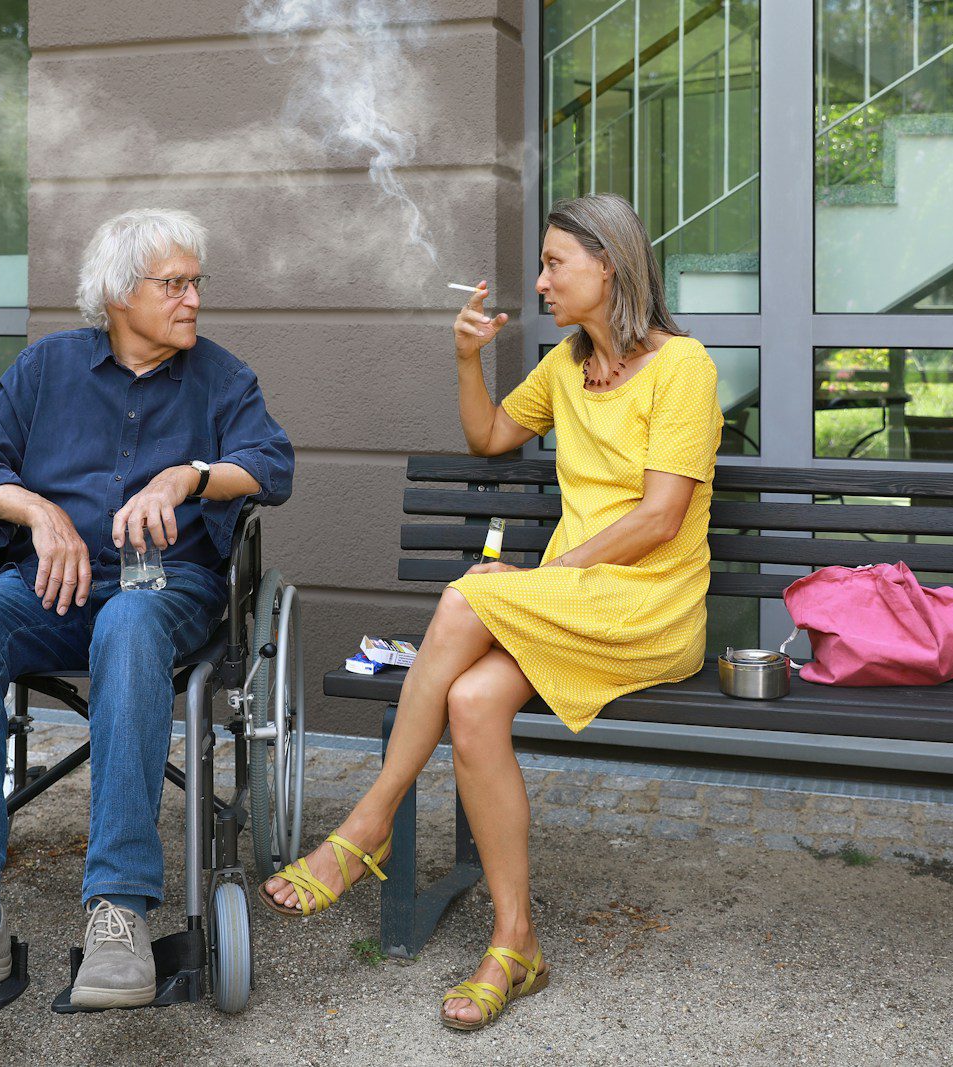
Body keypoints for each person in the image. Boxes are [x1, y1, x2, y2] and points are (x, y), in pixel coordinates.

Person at [260, 193, 722, 1030]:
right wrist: (468, 359)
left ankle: (369, 821)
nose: (541, 281)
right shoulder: (571, 365)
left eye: (555, 264)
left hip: (649, 606)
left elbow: (659, 518)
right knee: (472, 702)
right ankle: (517, 944)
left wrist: (544, 579)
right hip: (576, 601)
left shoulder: (684, 369)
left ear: (608, 267)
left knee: (467, 589)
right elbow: (489, 438)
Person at [0, 207, 294, 1009]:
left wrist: (189, 477)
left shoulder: (222, 377)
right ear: (116, 295)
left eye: (195, 282)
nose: (192, 300)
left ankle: (120, 908)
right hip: (49, 585)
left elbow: (270, 466)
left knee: (128, 622)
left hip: (164, 588)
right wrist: (38, 512)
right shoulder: (47, 369)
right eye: (172, 284)